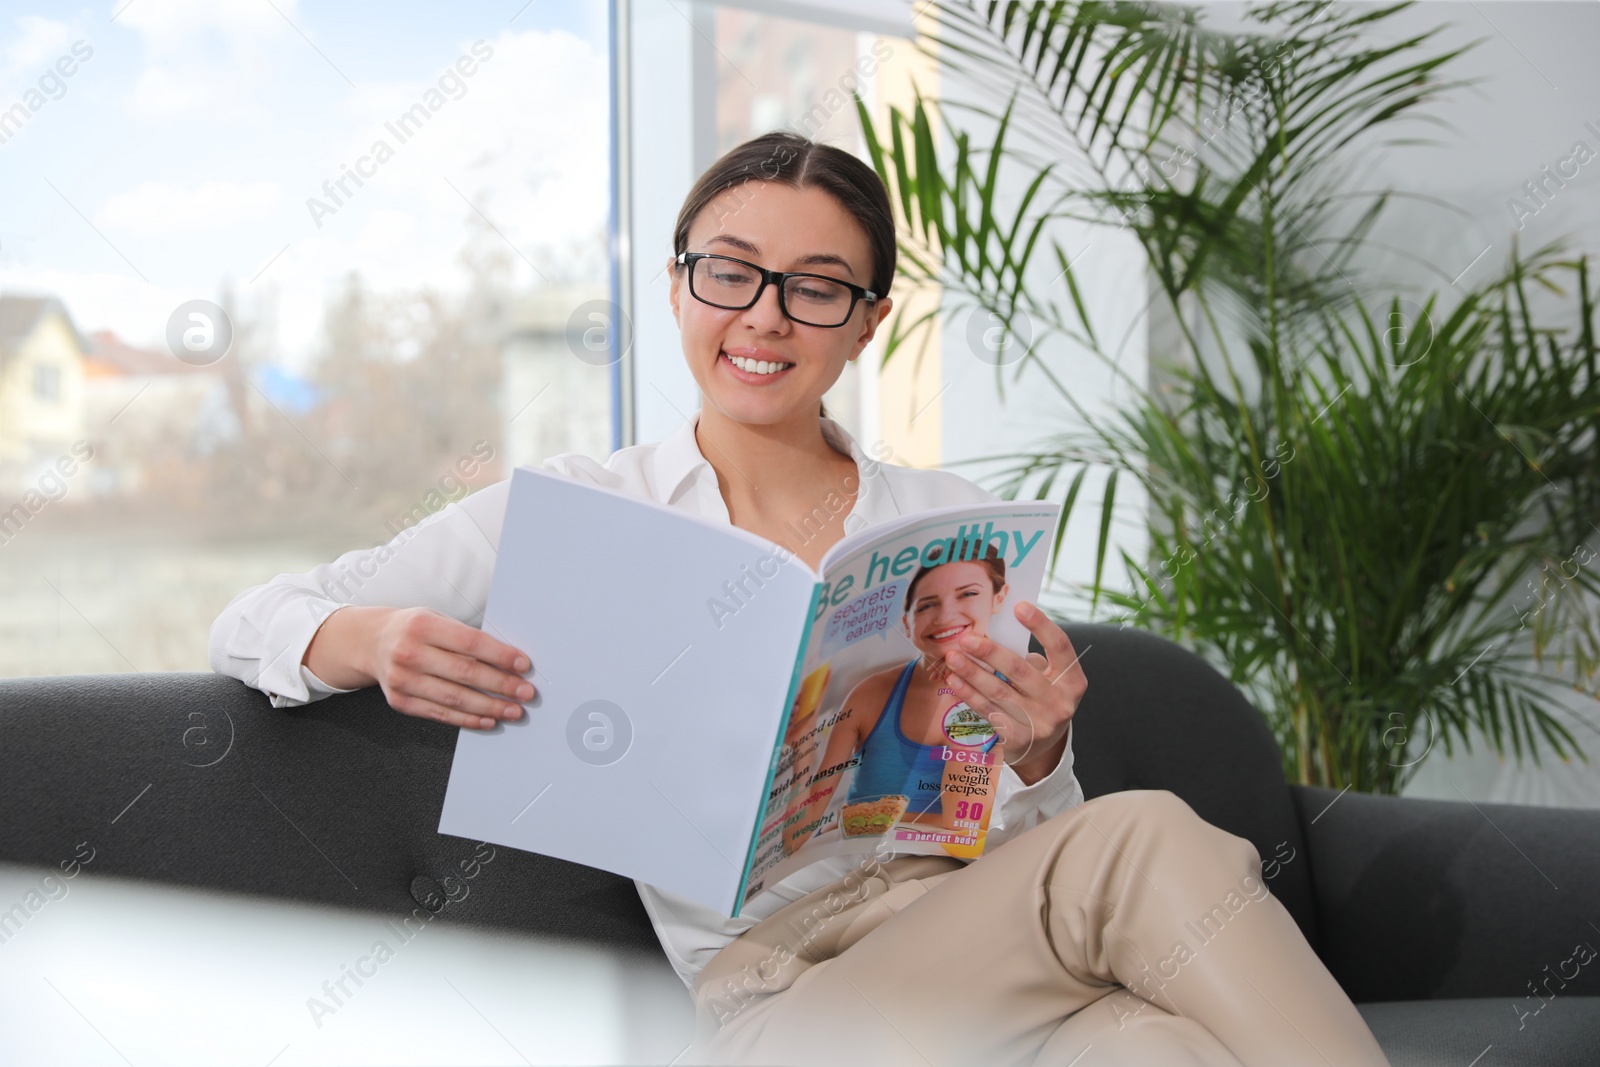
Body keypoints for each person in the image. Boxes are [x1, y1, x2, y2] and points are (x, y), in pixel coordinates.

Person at [209, 130, 1390, 1067]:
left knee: (1163, 1047)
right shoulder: (571, 509)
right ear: (679, 287)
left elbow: (1024, 843)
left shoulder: (945, 522)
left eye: (817, 288)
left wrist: (1040, 755)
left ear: (868, 322)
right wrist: (365, 634)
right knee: (1144, 834)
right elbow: (252, 615)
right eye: (730, 273)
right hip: (785, 1007)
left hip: (978, 935)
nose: (765, 315)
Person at [783, 542, 1010, 857]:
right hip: (854, 865)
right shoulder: (871, 694)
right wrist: (800, 744)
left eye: (967, 594)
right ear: (907, 623)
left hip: (943, 872)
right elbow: (794, 839)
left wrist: (857, 821)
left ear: (998, 598)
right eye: (926, 605)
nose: (945, 615)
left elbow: (962, 832)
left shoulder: (1014, 693)